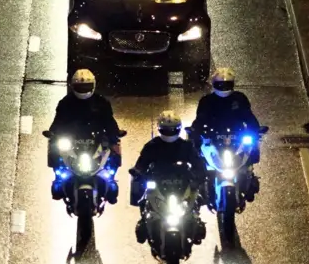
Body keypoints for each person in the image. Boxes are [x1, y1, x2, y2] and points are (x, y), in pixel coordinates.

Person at [48, 68, 122, 203]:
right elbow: (58, 121)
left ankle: (111, 180)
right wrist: (53, 133)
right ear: (73, 86)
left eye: (86, 86)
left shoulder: (101, 102)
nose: (83, 90)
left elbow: (109, 121)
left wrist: (115, 135)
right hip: (72, 139)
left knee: (115, 149)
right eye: (80, 87)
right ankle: (58, 179)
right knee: (54, 148)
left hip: (96, 139)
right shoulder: (66, 103)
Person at [130, 110, 206, 206]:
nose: (170, 132)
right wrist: (138, 172)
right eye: (166, 129)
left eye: (173, 129)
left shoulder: (186, 146)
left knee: (196, 201)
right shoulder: (152, 146)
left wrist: (197, 178)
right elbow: (141, 164)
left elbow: (198, 164)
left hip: (182, 183)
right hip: (158, 184)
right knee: (144, 201)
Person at [190, 67, 261, 159]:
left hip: (237, 136)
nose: (223, 87)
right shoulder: (207, 101)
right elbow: (200, 119)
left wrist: (255, 130)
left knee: (252, 150)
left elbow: (248, 116)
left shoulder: (239, 98)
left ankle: (248, 170)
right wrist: (195, 131)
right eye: (220, 85)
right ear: (214, 84)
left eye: (227, 84)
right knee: (198, 155)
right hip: (212, 136)